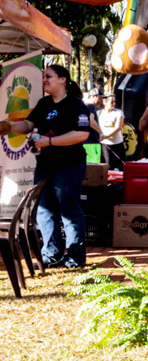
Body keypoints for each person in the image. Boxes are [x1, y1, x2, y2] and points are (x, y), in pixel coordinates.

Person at [0, 65, 92, 268]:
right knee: (43, 212)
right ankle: (51, 255)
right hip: (44, 165)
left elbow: (82, 134)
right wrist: (10, 126)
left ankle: (75, 258)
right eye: (43, 76)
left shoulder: (75, 104)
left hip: (69, 165)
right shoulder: (44, 103)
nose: (44, 80)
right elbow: (28, 125)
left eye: (48, 76)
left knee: (69, 211)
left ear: (63, 79)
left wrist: (49, 142)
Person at [98, 93, 125, 170]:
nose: (114, 103)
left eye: (115, 101)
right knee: (106, 167)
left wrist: (105, 136)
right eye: (111, 102)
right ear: (104, 102)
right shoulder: (98, 113)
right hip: (104, 145)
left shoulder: (119, 112)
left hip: (117, 144)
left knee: (121, 167)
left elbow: (118, 127)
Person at [82, 88, 104, 163]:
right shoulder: (91, 106)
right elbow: (90, 120)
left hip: (84, 141)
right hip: (91, 143)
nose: (100, 101)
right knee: (94, 166)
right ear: (93, 96)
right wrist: (101, 132)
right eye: (99, 98)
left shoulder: (82, 106)